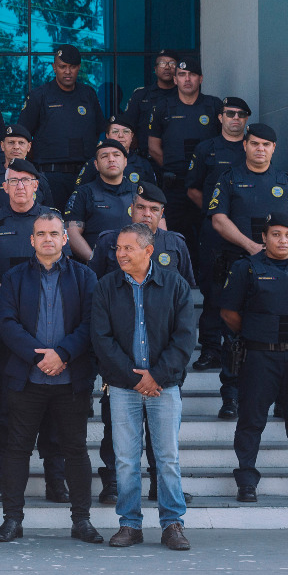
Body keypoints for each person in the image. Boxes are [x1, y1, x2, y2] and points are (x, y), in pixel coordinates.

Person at [0, 212, 103, 545]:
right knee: (17, 451)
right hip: (27, 380)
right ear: (32, 240)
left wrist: (63, 354)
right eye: (41, 234)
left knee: (76, 452)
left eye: (54, 233)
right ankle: (12, 520)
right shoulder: (14, 277)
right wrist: (39, 356)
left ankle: (81, 521)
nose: (48, 239)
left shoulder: (85, 277)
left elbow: (90, 323)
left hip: (71, 381)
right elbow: (7, 323)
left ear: (64, 238)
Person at [91, 223, 196, 551]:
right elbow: (101, 339)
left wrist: (157, 376)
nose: (120, 253)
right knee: (125, 459)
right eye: (118, 248)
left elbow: (185, 338)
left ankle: (172, 524)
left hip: (164, 388)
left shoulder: (175, 285)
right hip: (123, 388)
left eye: (128, 248)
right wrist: (137, 378)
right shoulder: (107, 287)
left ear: (148, 251)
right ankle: (130, 524)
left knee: (167, 458)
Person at [0, 158, 68, 501]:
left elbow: (63, 268)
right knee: (4, 405)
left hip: (51, 331)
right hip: (7, 329)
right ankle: (0, 479)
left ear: (36, 185)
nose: (20, 187)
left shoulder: (50, 221)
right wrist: (14, 302)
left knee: (55, 408)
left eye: (26, 180)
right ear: (4, 185)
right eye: (13, 181)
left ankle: (56, 479)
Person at [216, 212, 288, 505]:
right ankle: (247, 483)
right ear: (264, 238)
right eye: (276, 234)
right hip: (260, 356)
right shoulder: (246, 268)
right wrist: (258, 333)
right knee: (251, 421)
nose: (282, 240)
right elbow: (228, 312)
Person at [206, 122, 288, 417]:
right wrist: (252, 247)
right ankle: (232, 397)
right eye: (254, 144)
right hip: (238, 264)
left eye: (266, 145)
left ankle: (279, 399)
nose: (260, 149)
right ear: (245, 145)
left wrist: (281, 245)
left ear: (273, 148)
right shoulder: (229, 179)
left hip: (280, 270)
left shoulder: (285, 181)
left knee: (279, 331)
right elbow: (218, 219)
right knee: (234, 337)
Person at [186, 96, 251, 370]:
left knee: (243, 293)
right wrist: (217, 213)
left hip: (246, 235)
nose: (234, 118)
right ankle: (210, 350)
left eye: (240, 114)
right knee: (213, 292)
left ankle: (239, 350)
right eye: (229, 113)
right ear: (220, 117)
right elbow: (192, 188)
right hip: (214, 234)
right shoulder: (206, 149)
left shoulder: (253, 148)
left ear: (246, 118)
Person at [16, 45, 104, 210]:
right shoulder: (39, 95)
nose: (68, 71)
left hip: (87, 175)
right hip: (51, 175)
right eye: (63, 67)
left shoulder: (88, 94)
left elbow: (99, 130)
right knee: (53, 223)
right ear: (54, 67)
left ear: (79, 67)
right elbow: (23, 136)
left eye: (72, 67)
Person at [146, 56, 220, 245]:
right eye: (182, 74)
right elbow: (154, 147)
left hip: (206, 186)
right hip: (174, 186)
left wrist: (197, 175)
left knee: (208, 238)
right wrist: (177, 171)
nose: (187, 79)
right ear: (175, 79)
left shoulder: (213, 106)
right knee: (173, 240)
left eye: (192, 74)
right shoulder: (163, 106)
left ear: (201, 79)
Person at [64, 139, 136, 262]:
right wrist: (94, 261)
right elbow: (71, 233)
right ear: (96, 165)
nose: (111, 159)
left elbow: (158, 231)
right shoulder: (83, 193)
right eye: (104, 156)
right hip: (97, 268)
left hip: (135, 265)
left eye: (116, 155)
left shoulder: (139, 193)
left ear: (125, 162)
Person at [0, 124, 54, 215]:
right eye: (11, 142)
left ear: (29, 147)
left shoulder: (40, 180)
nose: (16, 147)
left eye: (21, 143)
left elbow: (49, 215)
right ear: (2, 146)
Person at [73, 115, 155, 189]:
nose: (120, 135)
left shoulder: (143, 164)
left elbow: (153, 197)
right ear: (107, 136)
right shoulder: (94, 163)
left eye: (126, 131)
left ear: (132, 136)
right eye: (115, 131)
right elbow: (79, 193)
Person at [122, 49, 180, 144]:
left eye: (172, 64)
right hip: (144, 155)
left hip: (176, 154)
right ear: (155, 69)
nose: (167, 67)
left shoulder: (184, 95)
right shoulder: (141, 95)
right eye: (162, 63)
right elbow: (127, 126)